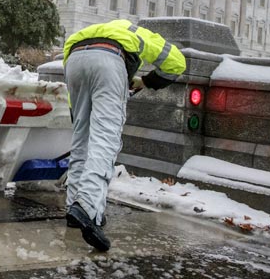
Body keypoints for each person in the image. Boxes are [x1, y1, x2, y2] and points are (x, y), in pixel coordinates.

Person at [62, 19, 186, 251]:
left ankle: (76, 209)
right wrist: (146, 81)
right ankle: (87, 208)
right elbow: (176, 62)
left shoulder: (80, 34)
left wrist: (77, 116)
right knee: (105, 141)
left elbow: (75, 105)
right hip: (110, 60)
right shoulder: (131, 30)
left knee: (82, 143)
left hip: (74, 61)